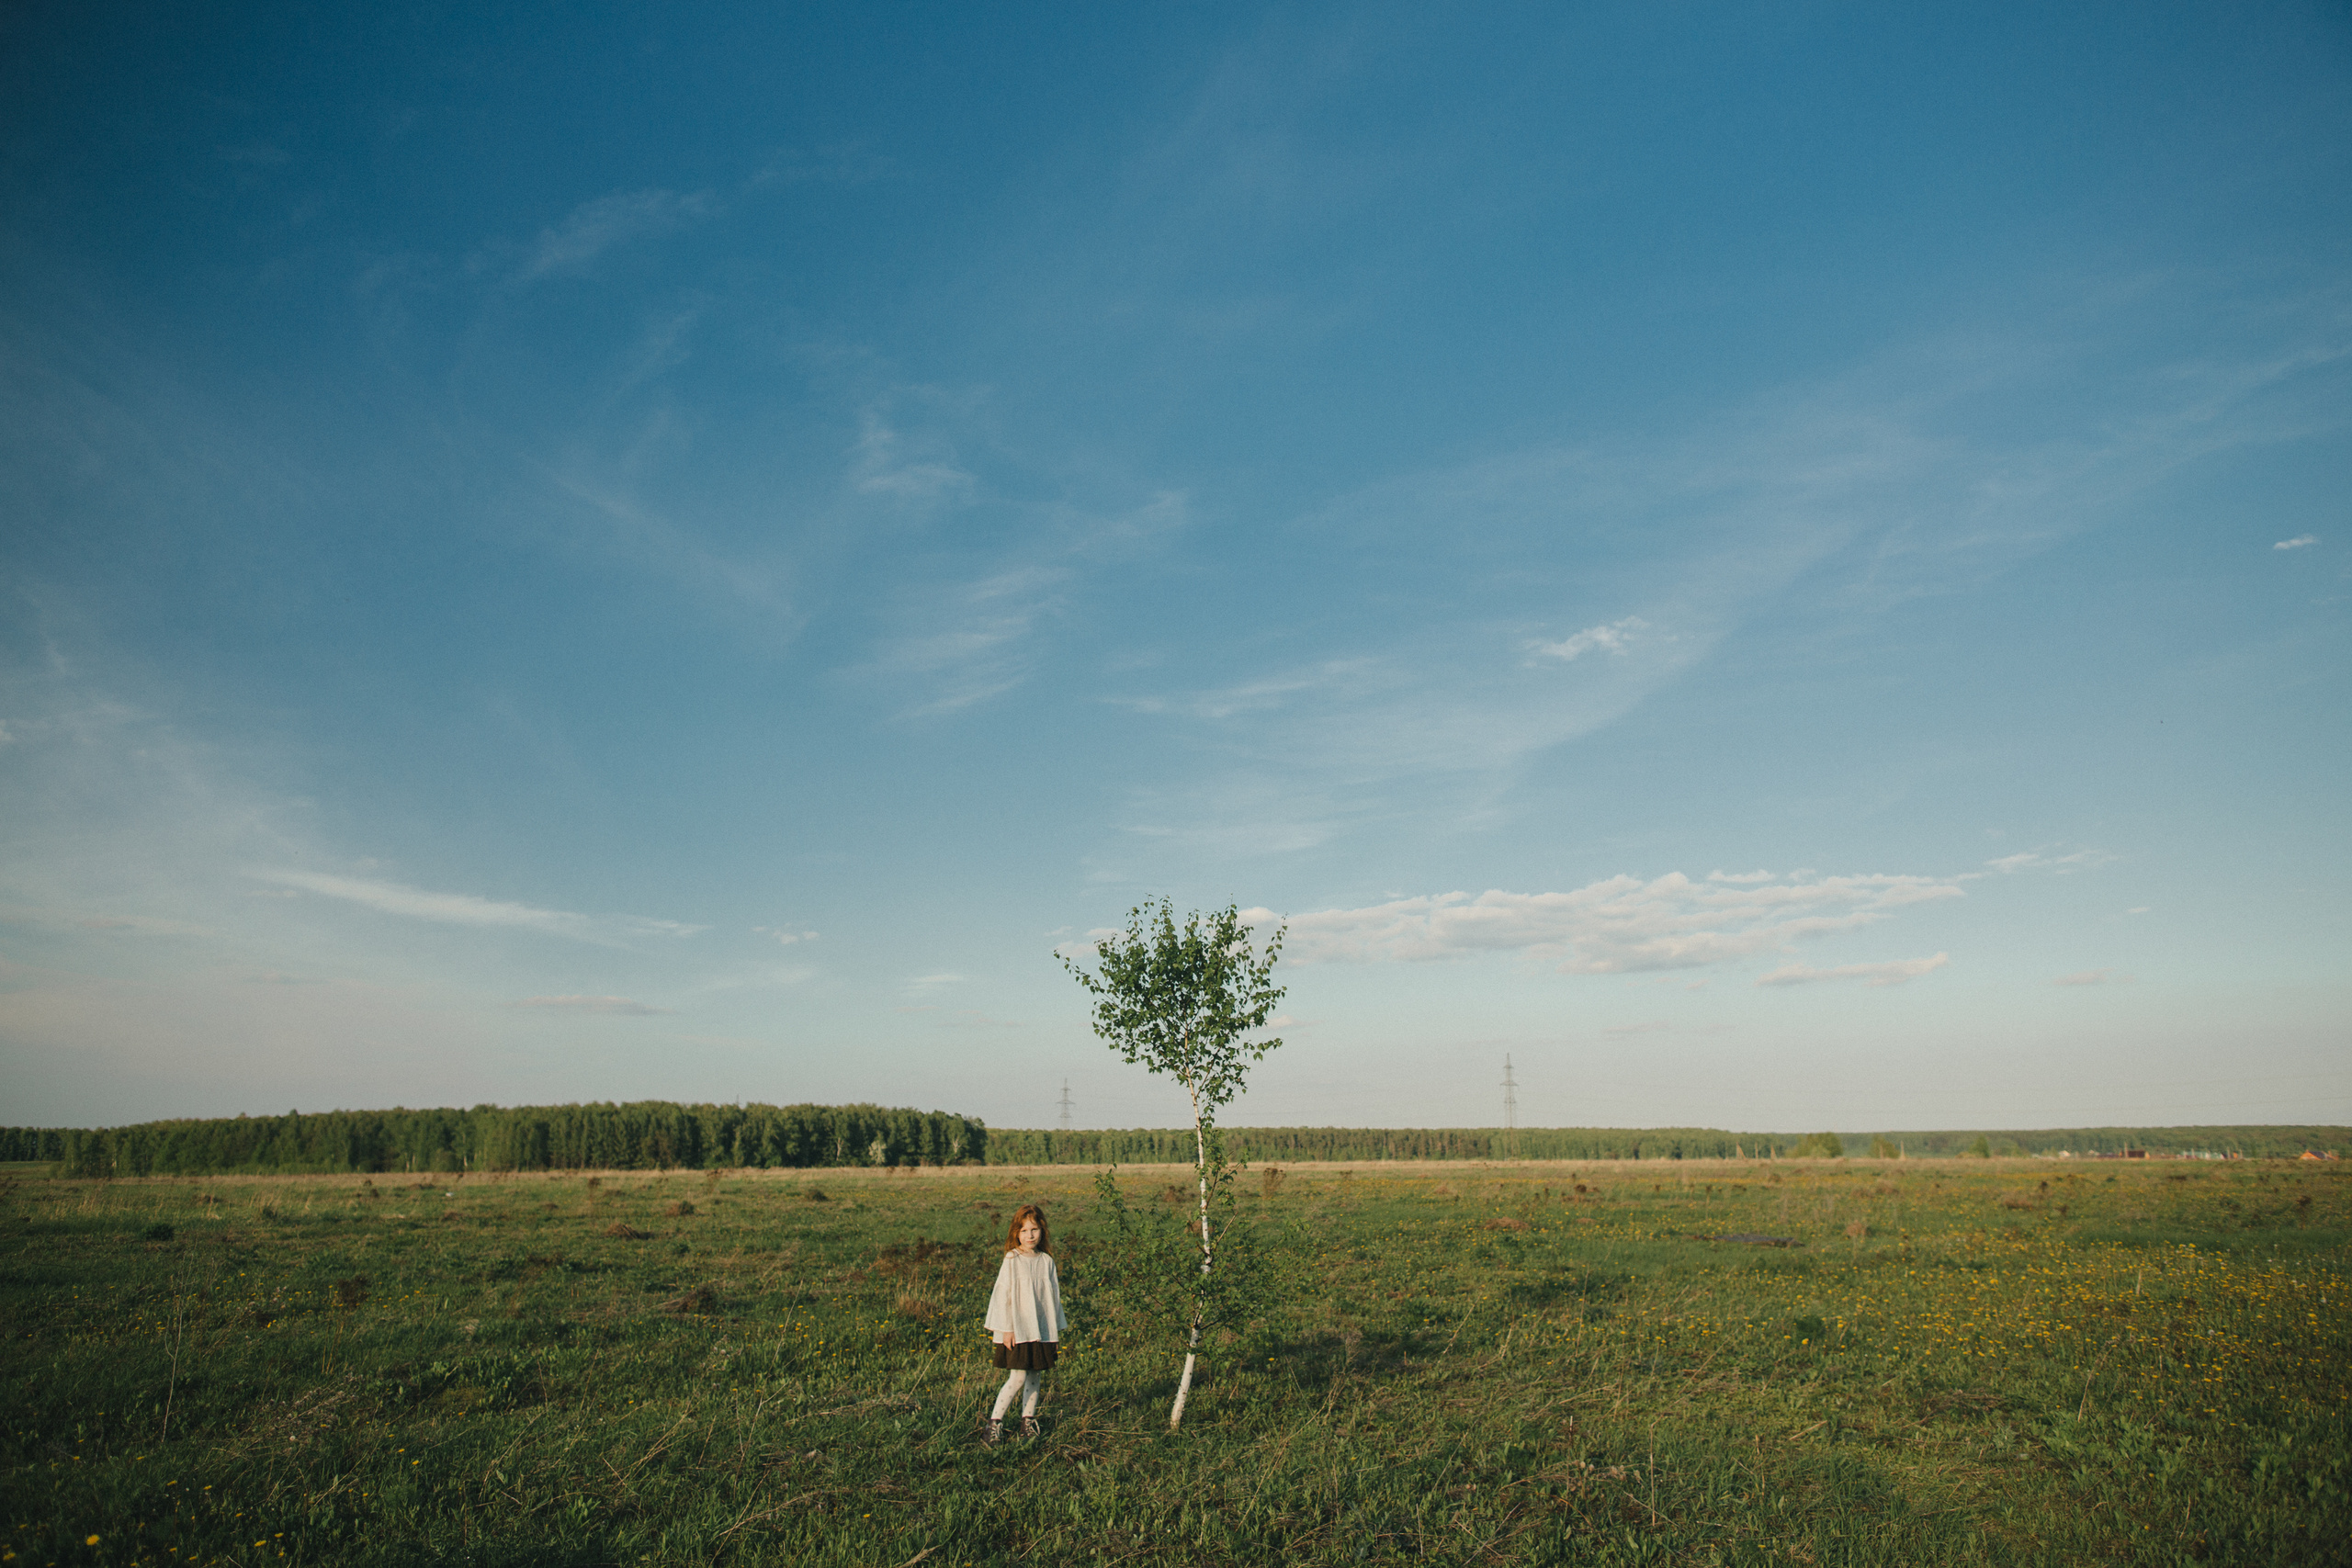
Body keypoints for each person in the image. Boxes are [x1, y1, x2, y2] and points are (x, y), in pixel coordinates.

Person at [981, 1203, 1065, 1443]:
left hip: (1040, 1331)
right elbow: (1002, 1296)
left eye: (1035, 1230)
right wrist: (1006, 1329)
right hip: (1018, 1330)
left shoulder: (1046, 1261)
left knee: (1035, 1376)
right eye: (1024, 1230)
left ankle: (1027, 1424)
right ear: (1016, 1233)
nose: (1030, 1236)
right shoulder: (1012, 1259)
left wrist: (1054, 1334)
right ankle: (993, 1426)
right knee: (1017, 1378)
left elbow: (1053, 1301)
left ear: (1042, 1231)